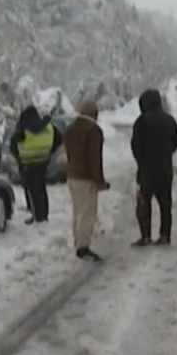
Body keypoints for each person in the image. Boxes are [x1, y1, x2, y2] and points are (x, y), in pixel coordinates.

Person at [129, 88, 177, 247]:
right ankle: (165, 235)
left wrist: (142, 159)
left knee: (144, 203)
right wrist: (165, 153)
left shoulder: (141, 121)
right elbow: (176, 141)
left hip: (146, 170)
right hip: (165, 169)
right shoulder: (169, 120)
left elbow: (136, 145)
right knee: (165, 204)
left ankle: (145, 235)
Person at [62, 101, 110, 261]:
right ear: (94, 114)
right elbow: (94, 158)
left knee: (77, 212)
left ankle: (78, 242)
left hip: (72, 176)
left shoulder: (70, 129)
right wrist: (100, 181)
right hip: (86, 177)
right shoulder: (93, 131)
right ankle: (83, 247)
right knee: (87, 214)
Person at [8, 106, 62, 224]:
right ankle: (43, 215)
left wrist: (20, 158)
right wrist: (49, 152)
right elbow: (59, 139)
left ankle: (36, 216)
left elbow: (12, 145)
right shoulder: (48, 127)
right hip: (42, 162)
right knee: (41, 189)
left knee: (32, 191)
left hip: (28, 163)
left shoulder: (23, 128)